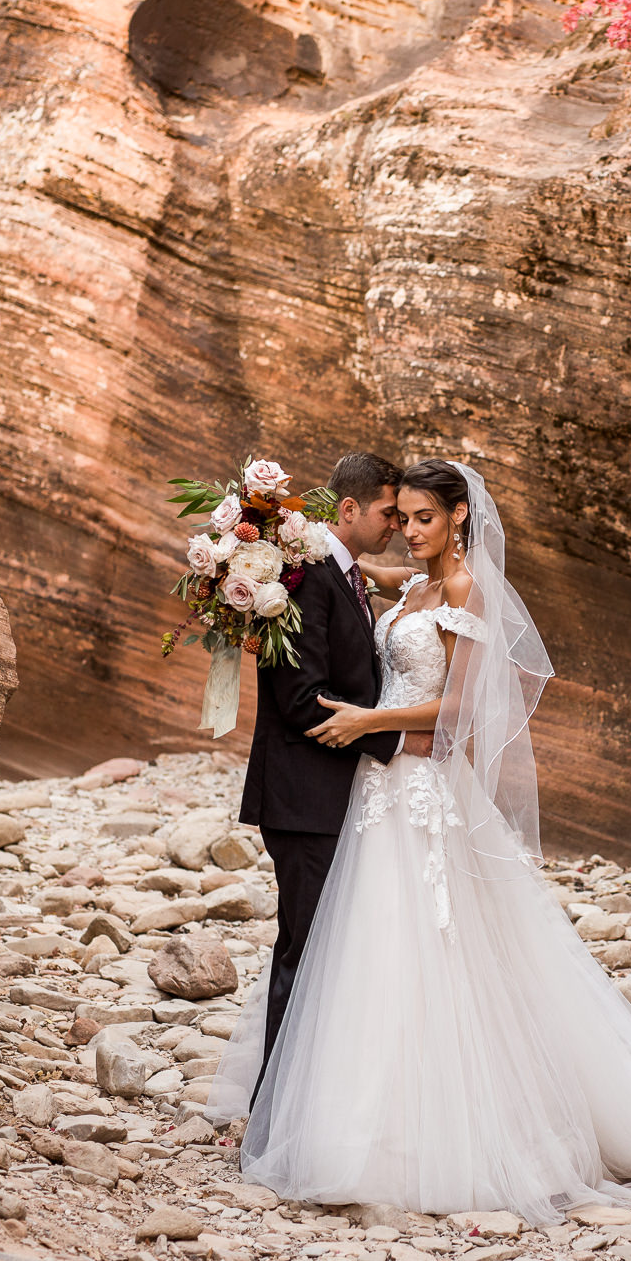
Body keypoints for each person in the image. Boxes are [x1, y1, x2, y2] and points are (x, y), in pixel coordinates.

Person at [212, 459, 631, 1223]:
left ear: (458, 520)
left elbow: (460, 708)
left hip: (417, 785)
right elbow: (363, 572)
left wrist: (363, 719)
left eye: (423, 518)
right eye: (401, 516)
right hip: (377, 794)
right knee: (370, 953)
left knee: (437, 952)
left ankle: (453, 1136)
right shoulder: (409, 586)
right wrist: (296, 549)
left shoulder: (465, 591)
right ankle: (347, 1120)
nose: (408, 531)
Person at [236, 451, 424, 1085]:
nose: (396, 527)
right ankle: (274, 1110)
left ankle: (307, 1102)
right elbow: (300, 699)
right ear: (348, 509)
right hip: (303, 797)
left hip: (332, 795)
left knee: (326, 951)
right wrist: (392, 743)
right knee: (305, 950)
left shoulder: (343, 573)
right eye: (387, 514)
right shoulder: (308, 578)